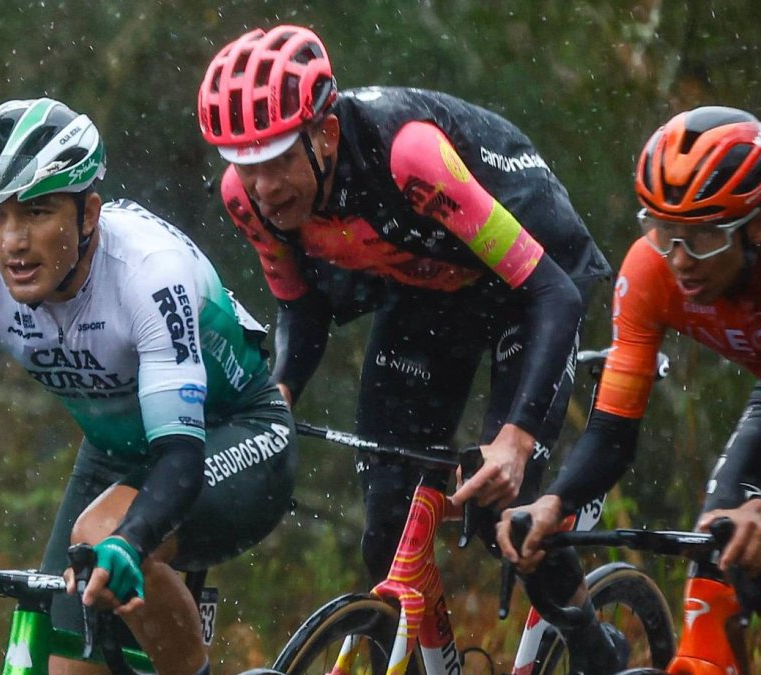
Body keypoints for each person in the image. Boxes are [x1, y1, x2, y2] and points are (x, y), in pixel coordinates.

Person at [197, 25, 625, 671]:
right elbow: (302, 308)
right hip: (429, 289)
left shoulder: (409, 156)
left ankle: (598, 651)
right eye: (244, 164)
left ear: (326, 134)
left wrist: (514, 441)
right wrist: (274, 398)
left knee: (509, 519)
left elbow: (553, 295)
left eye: (278, 160)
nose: (262, 187)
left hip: (531, 282)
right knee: (386, 532)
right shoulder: (247, 199)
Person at [0, 97, 297, 675]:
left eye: (37, 212)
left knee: (100, 534)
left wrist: (130, 539)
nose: (12, 241)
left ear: (88, 213)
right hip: (117, 453)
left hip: (233, 435)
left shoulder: (150, 272)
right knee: (67, 665)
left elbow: (178, 453)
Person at [498, 106, 761, 675]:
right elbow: (613, 432)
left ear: (757, 226)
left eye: (704, 237)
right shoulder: (649, 273)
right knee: (712, 578)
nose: (679, 259)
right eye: (664, 231)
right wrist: (556, 503)